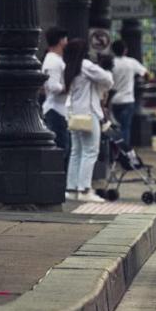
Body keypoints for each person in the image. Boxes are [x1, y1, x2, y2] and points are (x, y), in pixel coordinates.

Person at [63, 38, 113, 201]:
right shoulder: (86, 65)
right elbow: (108, 80)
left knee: (76, 152)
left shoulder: (69, 66)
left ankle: (71, 189)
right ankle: (85, 190)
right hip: (89, 114)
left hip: (74, 115)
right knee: (90, 151)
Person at [109, 40, 150, 151]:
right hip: (127, 100)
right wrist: (144, 81)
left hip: (112, 100)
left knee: (112, 127)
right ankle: (124, 151)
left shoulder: (110, 62)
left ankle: (114, 150)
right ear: (125, 50)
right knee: (125, 127)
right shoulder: (131, 62)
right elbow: (146, 73)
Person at [41, 26, 70, 159]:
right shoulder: (53, 61)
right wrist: (67, 88)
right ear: (61, 41)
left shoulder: (54, 59)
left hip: (59, 109)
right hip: (56, 109)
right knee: (61, 146)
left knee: (64, 145)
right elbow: (53, 86)